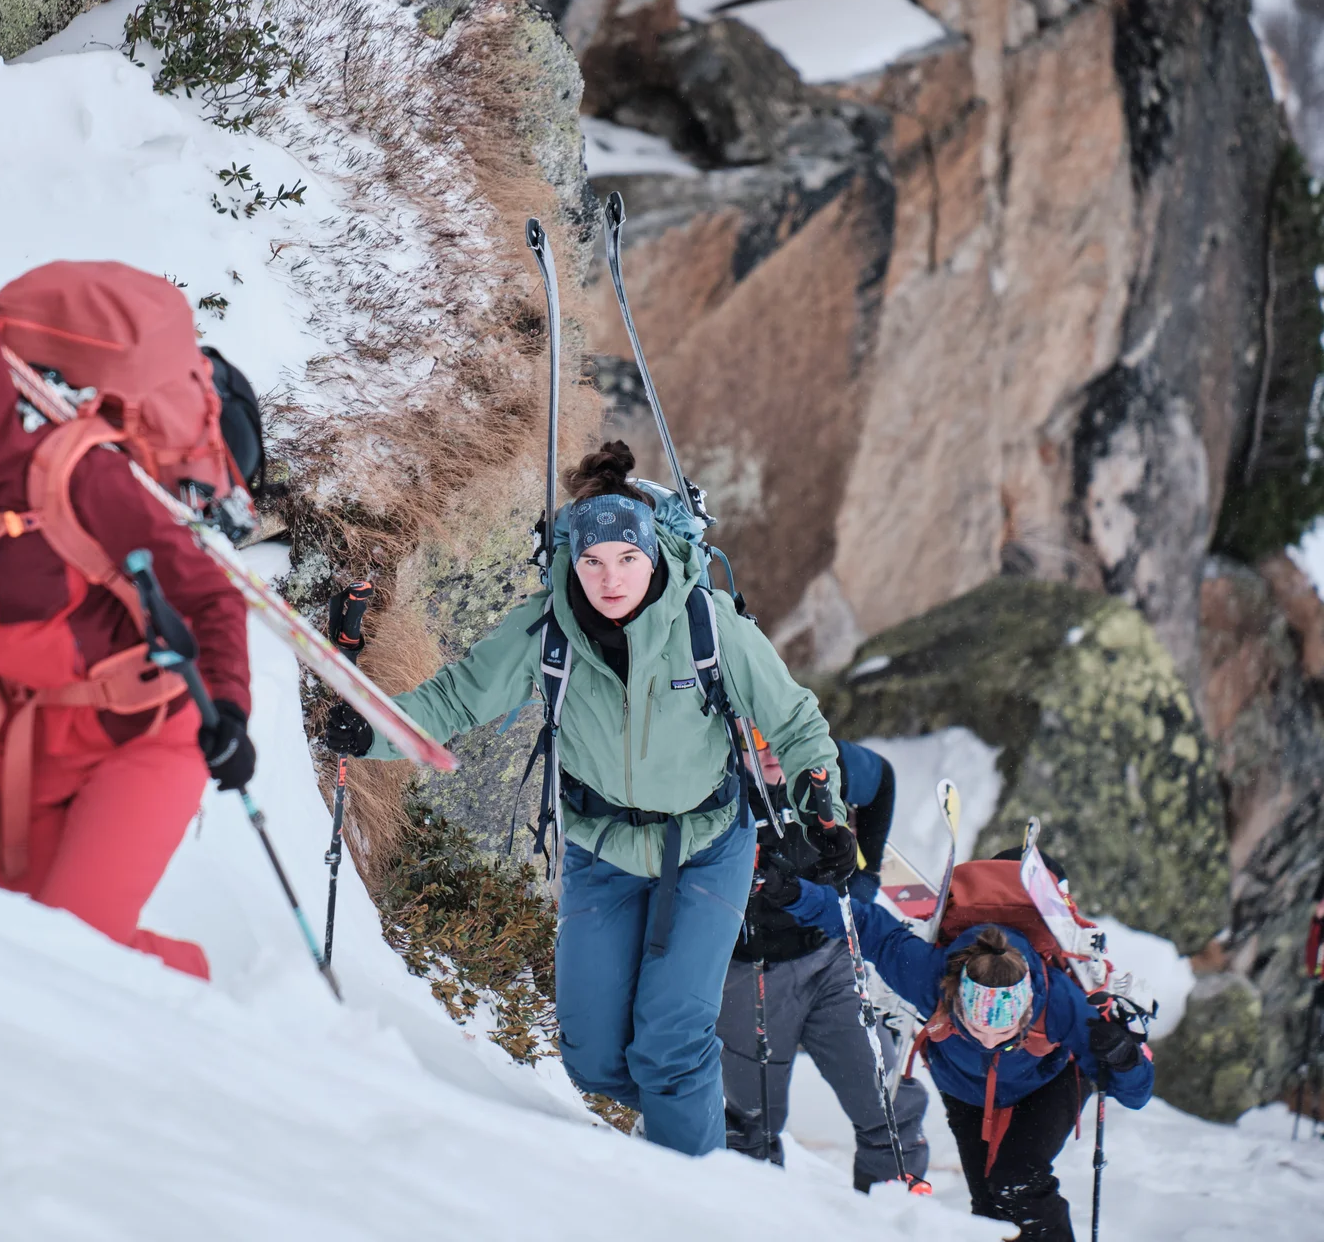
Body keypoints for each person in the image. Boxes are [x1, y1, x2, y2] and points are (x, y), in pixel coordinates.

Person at [324, 441, 855, 1155]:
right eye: (593, 562)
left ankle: (703, 1194)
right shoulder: (548, 631)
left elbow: (793, 722)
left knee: (670, 1041)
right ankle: (696, 1133)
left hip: (705, 846)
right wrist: (372, 728)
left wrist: (826, 810)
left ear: (655, 555)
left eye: (627, 560)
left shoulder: (708, 624)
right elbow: (454, 699)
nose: (610, 579)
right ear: (572, 559)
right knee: (595, 1058)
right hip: (600, 848)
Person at [0, 301, 255, 979]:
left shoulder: (79, 478)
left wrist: (229, 710)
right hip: (14, 734)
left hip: (140, 731)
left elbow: (207, 596)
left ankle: (198, 1002)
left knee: (76, 952)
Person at [763, 867, 1154, 1240]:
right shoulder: (929, 975)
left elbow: (1135, 1094)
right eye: (975, 1028)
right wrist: (795, 893)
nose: (988, 1041)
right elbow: (863, 924)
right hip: (964, 1087)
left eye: (1004, 1033)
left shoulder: (1058, 999)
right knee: (987, 1207)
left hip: (1047, 1081)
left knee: (1017, 1182)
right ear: (955, 999)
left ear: (1028, 1008)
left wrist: (1124, 1058)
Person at [719, 737, 931, 1188]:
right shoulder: (706, 771)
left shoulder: (822, 758)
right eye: (753, 738)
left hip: (828, 962)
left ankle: (894, 1222)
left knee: (889, 1115)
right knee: (748, 1130)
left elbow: (882, 781)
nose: (769, 747)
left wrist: (866, 877)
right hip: (744, 970)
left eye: (776, 731)